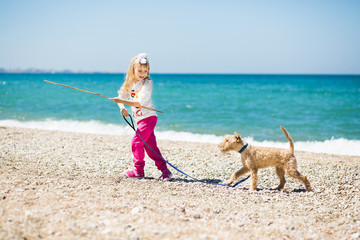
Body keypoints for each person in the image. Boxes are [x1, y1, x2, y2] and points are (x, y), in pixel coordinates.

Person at [111, 53, 172, 180]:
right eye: (139, 70)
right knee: (150, 148)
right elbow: (121, 97)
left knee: (136, 142)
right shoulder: (130, 82)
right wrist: (122, 108)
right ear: (133, 70)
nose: (142, 73)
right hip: (140, 120)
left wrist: (122, 102)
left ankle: (139, 171)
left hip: (149, 118)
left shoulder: (147, 83)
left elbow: (138, 102)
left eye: (145, 71)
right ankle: (165, 171)